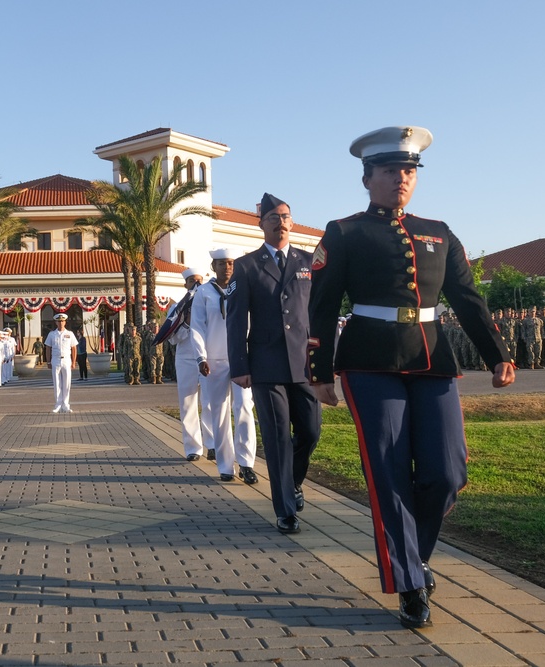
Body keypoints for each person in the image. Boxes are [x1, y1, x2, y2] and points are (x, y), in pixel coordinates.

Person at [308, 126, 515, 629]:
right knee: (389, 472)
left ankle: (413, 559)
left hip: (432, 360)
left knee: (448, 471)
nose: (401, 178)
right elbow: (321, 305)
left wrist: (497, 354)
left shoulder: (439, 232)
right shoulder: (345, 232)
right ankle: (410, 583)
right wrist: (319, 372)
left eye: (408, 171)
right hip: (368, 361)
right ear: (367, 178)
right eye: (389, 171)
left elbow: (468, 299)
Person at [227, 195, 321, 534]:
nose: (280, 222)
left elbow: (319, 314)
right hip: (266, 365)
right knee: (279, 438)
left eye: (285, 216)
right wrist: (239, 364)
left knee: (310, 432)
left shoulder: (309, 262)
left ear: (291, 223)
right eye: (272, 217)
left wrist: (325, 360)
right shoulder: (247, 265)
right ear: (261, 224)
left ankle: (293, 483)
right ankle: (284, 510)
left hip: (305, 365)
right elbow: (236, 319)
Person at [190, 249, 260, 485]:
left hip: (241, 358)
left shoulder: (244, 287)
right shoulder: (203, 293)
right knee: (219, 413)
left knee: (244, 408)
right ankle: (225, 465)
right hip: (215, 360)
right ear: (213, 266)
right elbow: (197, 327)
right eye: (222, 264)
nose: (227, 267)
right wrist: (201, 357)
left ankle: (247, 464)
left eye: (230, 263)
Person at [165, 268, 211, 461]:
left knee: (210, 401)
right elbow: (172, 339)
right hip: (185, 357)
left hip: (208, 357)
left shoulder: (210, 302)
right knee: (187, 402)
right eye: (192, 280)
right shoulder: (176, 309)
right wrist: (187, 324)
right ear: (186, 285)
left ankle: (213, 444)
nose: (197, 284)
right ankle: (193, 448)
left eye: (200, 280)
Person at [45, 313, 78, 413]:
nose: (61, 323)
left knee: (67, 383)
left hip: (66, 360)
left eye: (62, 321)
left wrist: (73, 362)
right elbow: (48, 348)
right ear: (56, 322)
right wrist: (48, 361)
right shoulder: (52, 334)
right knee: (57, 383)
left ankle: (66, 405)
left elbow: (74, 348)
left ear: (65, 322)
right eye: (59, 321)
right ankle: (58, 404)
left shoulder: (70, 334)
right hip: (55, 359)